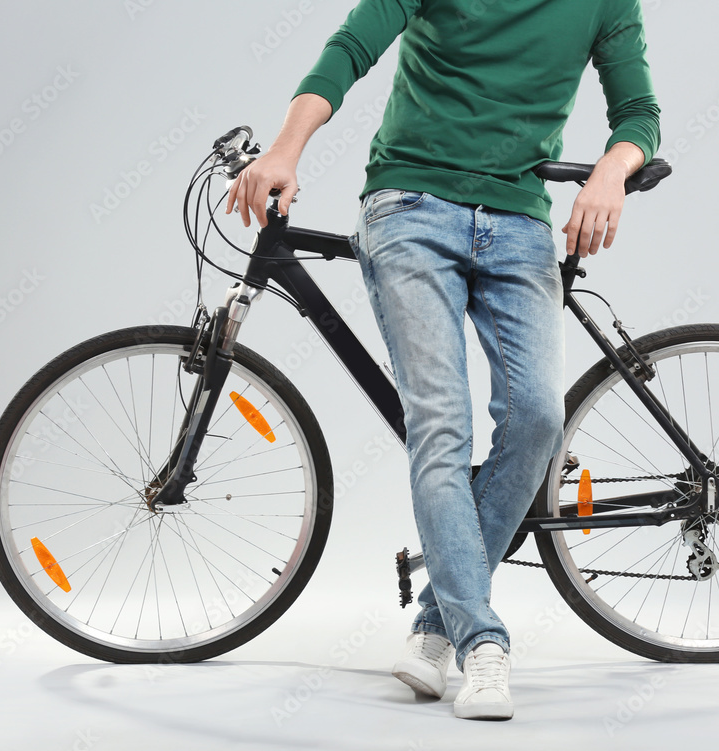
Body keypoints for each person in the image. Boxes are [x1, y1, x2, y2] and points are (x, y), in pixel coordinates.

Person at [226, 0, 661, 721]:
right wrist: (285, 148)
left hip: (519, 218)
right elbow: (350, 49)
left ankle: (435, 623)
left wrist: (614, 169)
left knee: (537, 418)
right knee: (441, 422)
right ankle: (484, 642)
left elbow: (638, 111)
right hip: (409, 208)